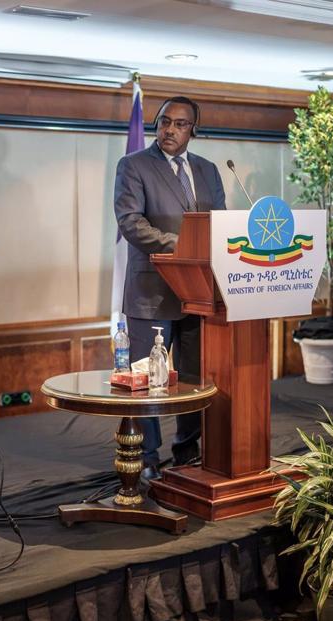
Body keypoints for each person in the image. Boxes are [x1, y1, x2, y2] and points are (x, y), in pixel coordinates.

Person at [113, 96, 226, 481]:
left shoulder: (209, 170)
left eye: (180, 124)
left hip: (198, 292)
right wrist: (181, 248)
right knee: (146, 381)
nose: (169, 130)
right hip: (152, 290)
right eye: (164, 122)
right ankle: (145, 457)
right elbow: (130, 222)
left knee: (194, 377)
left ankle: (187, 452)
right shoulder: (134, 165)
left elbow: (220, 225)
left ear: (193, 129)